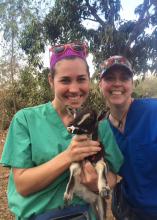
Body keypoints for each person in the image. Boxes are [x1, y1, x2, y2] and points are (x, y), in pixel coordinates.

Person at [0, 43, 123, 220]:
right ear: (51, 80)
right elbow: (22, 185)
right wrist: (68, 156)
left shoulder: (99, 124)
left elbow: (113, 175)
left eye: (81, 79)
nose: (74, 89)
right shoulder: (26, 120)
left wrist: (98, 183)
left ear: (89, 79)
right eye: (65, 80)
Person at [99, 55, 157, 220]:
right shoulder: (102, 130)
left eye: (124, 78)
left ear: (132, 84)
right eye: (110, 78)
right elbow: (108, 175)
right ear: (100, 84)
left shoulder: (153, 111)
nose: (117, 83)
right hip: (132, 212)